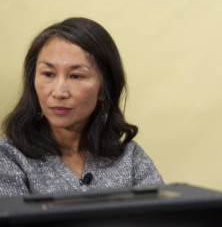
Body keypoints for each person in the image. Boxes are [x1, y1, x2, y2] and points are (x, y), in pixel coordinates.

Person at [0, 17, 163, 196]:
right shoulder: (9, 156)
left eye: (76, 76)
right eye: (48, 74)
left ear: (103, 89)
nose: (59, 92)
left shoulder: (130, 158)